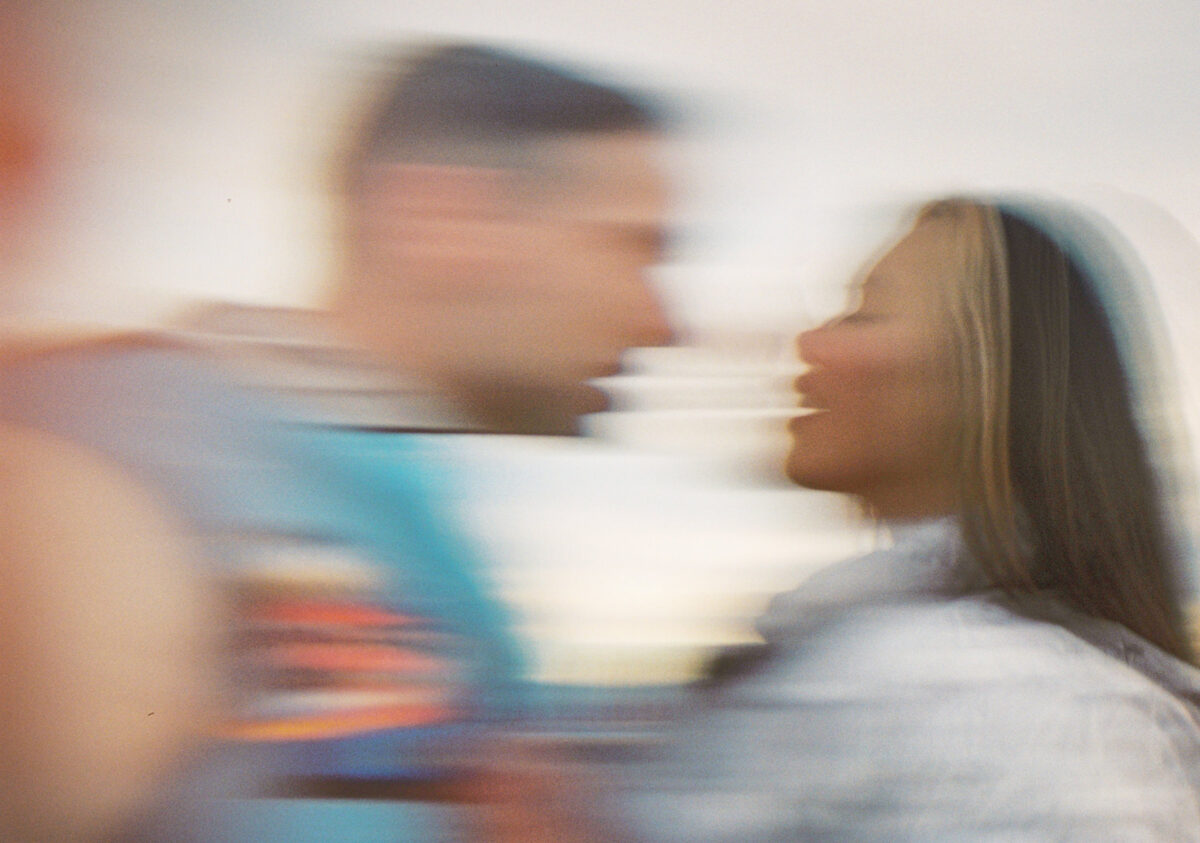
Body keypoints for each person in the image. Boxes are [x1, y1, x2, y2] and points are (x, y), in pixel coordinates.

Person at [0, 41, 675, 841]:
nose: (662, 322)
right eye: (630, 247)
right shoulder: (106, 453)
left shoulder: (398, 492)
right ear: (444, 218)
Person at [575, 195, 1200, 840]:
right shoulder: (896, 652)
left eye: (864, 314)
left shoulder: (1007, 701)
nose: (809, 342)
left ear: (988, 378)